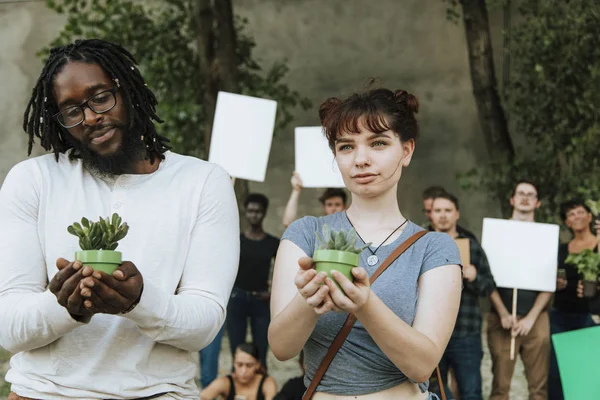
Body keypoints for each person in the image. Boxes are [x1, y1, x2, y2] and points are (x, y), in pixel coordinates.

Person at [0, 39, 240, 399]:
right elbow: (9, 329)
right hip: (42, 393)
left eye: (100, 98)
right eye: (72, 111)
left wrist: (139, 302)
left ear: (129, 89)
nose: (92, 118)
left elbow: (203, 324)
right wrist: (63, 306)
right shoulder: (33, 180)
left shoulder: (202, 182)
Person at [269, 87, 463, 399]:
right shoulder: (305, 234)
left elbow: (422, 365)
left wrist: (365, 304)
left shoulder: (434, 248)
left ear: (407, 150)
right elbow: (281, 348)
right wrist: (309, 301)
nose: (361, 159)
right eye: (346, 147)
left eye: (378, 143)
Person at [487, 180, 552, 400]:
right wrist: (503, 313)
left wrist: (531, 318)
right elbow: (487, 279)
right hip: (502, 318)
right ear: (512, 199)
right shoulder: (497, 233)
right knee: (500, 388)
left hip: (536, 318)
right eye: (521, 193)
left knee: (538, 389)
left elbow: (549, 281)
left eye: (530, 194)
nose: (525, 197)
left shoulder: (546, 237)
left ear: (538, 203)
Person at [430, 193, 497, 400]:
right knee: (433, 390)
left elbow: (489, 286)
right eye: (438, 210)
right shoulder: (421, 244)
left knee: (471, 391)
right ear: (430, 214)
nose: (443, 216)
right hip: (430, 330)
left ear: (457, 214)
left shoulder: (472, 246)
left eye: (448, 210)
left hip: (465, 331)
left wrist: (475, 276)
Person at [550, 199, 599, 399]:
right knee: (558, 370)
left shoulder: (598, 244)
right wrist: (559, 282)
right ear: (567, 222)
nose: (576, 216)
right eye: (571, 214)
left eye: (580, 212)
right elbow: (559, 275)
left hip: (591, 315)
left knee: (588, 370)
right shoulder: (562, 249)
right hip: (561, 315)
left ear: (589, 216)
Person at [228, 194, 280, 370]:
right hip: (237, 299)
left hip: (261, 301)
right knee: (236, 351)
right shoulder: (237, 240)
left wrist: (273, 294)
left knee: (262, 351)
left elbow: (284, 271)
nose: (254, 215)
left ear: (264, 213)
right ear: (246, 212)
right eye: (250, 211)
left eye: (258, 211)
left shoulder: (273, 243)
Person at [200, 343, 277, 400]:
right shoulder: (226, 382)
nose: (243, 371)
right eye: (239, 365)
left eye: (249, 365)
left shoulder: (267, 383)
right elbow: (200, 397)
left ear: (257, 365)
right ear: (234, 363)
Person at [282, 171, 347, 228]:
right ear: (324, 207)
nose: (333, 208)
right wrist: (296, 190)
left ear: (345, 207)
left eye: (337, 204)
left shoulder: (352, 227)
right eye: (329, 205)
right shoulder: (316, 227)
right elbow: (288, 223)